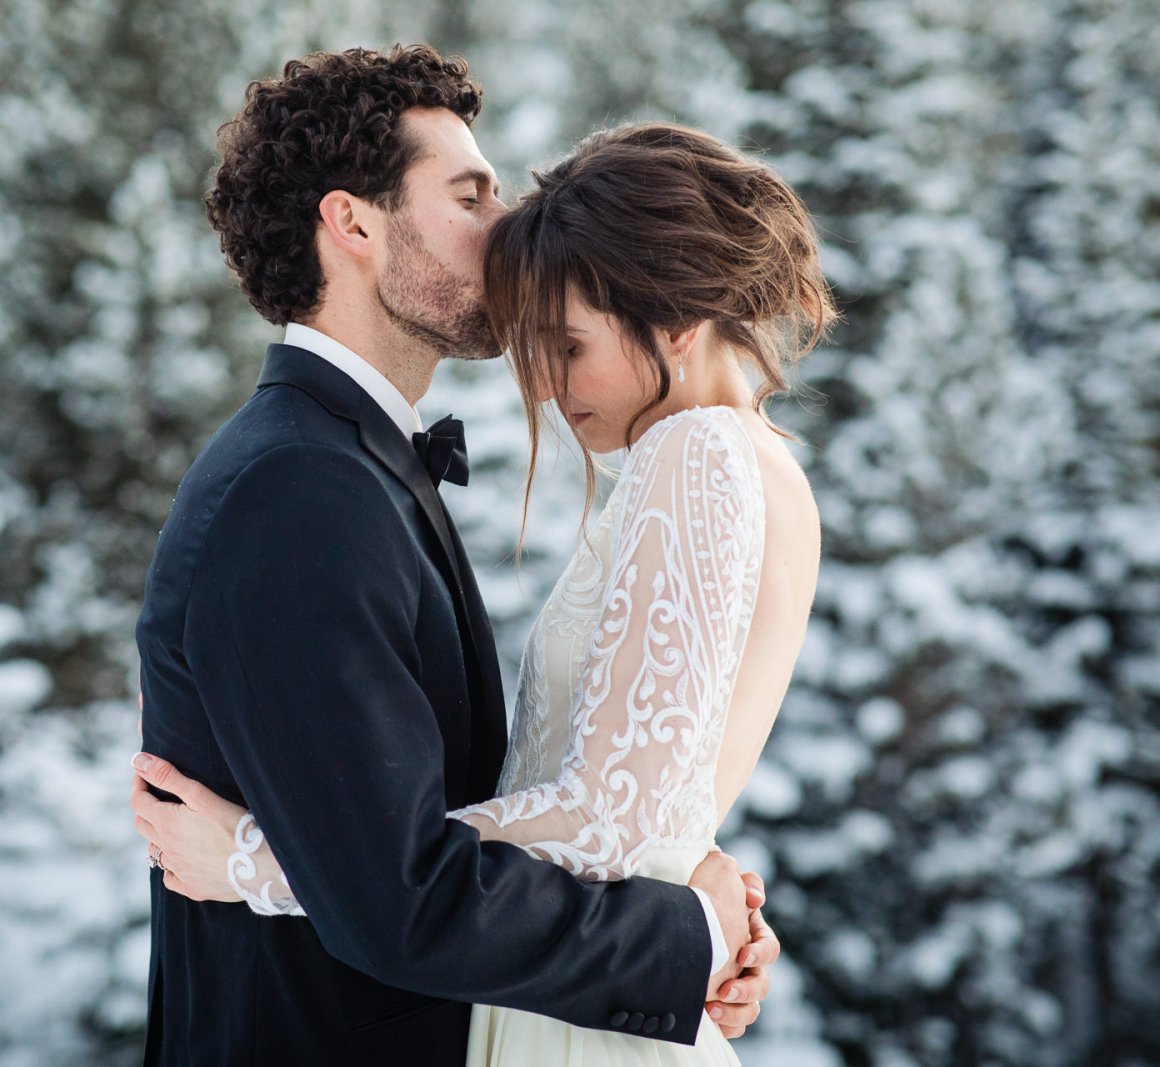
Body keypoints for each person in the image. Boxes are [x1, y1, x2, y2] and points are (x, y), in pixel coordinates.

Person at [132, 44, 791, 1067]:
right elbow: (392, 887)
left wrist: (681, 907)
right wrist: (680, 937)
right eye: (469, 193)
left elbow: (491, 806)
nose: (503, 226)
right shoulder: (294, 491)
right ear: (352, 224)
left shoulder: (352, 465)